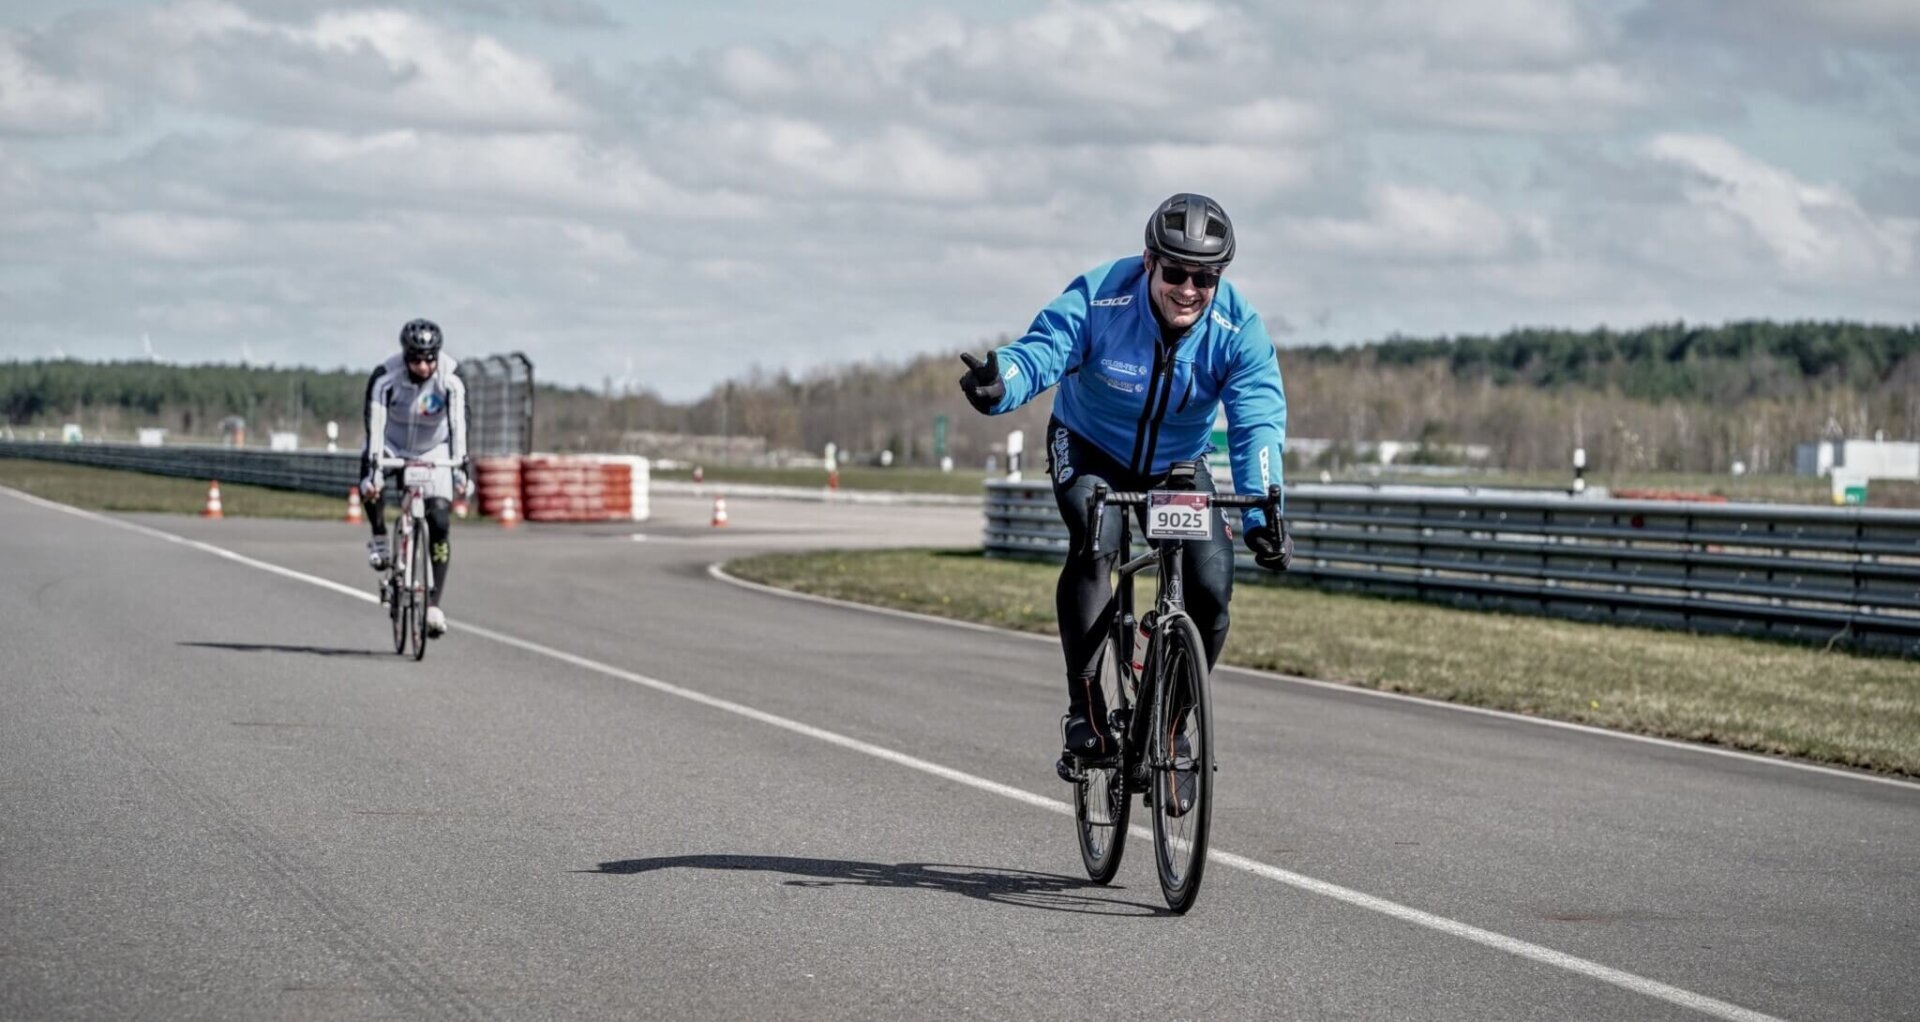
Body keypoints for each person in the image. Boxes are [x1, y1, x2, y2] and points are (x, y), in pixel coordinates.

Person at [958, 193, 1293, 768]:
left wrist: (1264, 516)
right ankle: (1085, 710)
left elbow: (1257, 421)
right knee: (1097, 538)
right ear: (1148, 262)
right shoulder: (1102, 296)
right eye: (1176, 272)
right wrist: (1003, 381)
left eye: (1205, 278)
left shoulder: (1240, 330)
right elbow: (1043, 351)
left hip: (1175, 466)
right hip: (1090, 446)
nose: (1188, 289)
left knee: (1211, 591)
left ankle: (1170, 725)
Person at [361, 318, 470, 638]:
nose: (424, 367)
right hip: (392, 441)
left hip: (433, 448)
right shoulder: (386, 376)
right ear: (405, 356)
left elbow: (461, 424)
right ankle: (380, 535)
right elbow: (374, 421)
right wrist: (375, 468)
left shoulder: (451, 377)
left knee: (439, 519)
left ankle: (433, 605)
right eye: (416, 360)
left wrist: (463, 467)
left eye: (429, 359)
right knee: (371, 481)